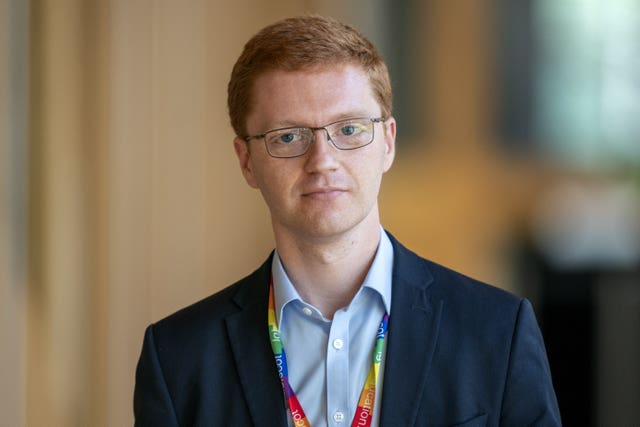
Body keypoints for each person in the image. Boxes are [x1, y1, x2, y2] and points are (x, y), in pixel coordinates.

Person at [134, 15, 561, 426]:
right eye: (288, 136)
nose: (322, 161)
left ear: (388, 143)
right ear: (247, 162)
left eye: (350, 129)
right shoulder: (177, 358)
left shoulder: (497, 332)